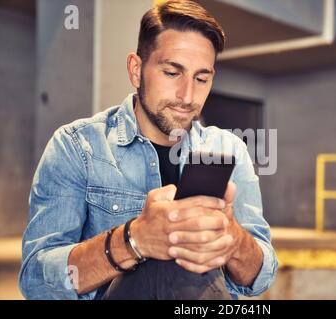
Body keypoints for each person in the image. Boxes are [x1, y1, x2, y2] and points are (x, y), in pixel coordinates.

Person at [19, 0, 277, 300]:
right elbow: (35, 280)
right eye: (171, 73)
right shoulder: (77, 146)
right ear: (136, 70)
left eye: (201, 78)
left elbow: (261, 277)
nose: (187, 95)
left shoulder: (228, 149)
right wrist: (132, 240)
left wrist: (234, 241)